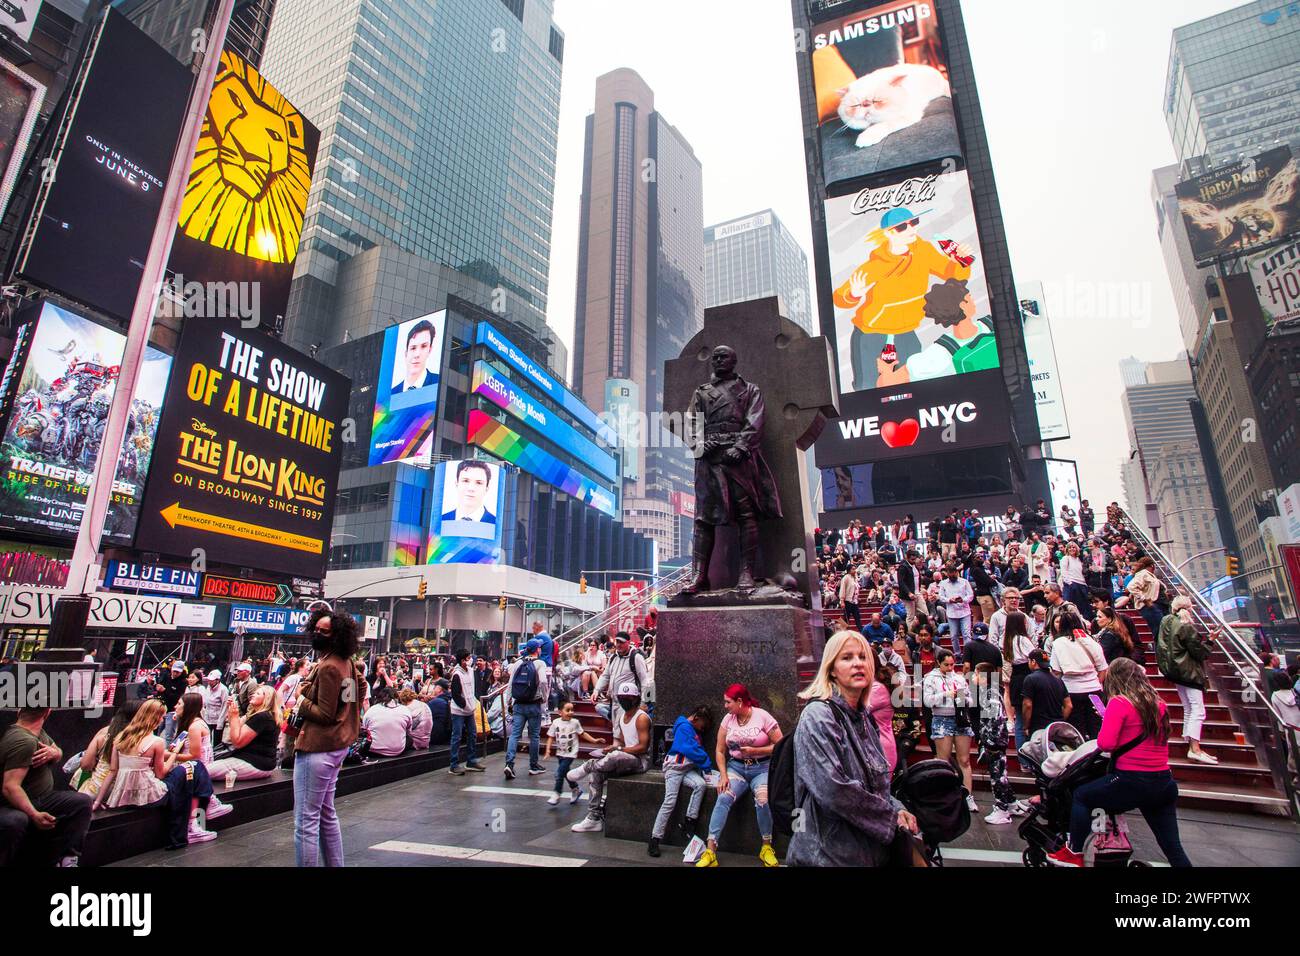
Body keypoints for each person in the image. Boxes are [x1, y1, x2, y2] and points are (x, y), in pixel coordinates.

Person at [788, 631, 920, 867]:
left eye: (862, 657)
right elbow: (833, 789)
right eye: (847, 657)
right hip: (828, 855)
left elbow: (874, 784)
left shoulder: (864, 717)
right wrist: (889, 819)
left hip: (868, 851)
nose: (858, 663)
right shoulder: (817, 716)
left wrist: (897, 808)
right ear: (831, 669)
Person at [1048, 657, 1193, 867]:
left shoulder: (1120, 703)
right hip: (1163, 782)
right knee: (1171, 845)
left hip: (1131, 779)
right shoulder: (1159, 705)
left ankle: (1075, 852)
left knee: (1082, 796)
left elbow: (1106, 743)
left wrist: (1108, 720)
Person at [93, 699, 219, 849]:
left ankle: (203, 810)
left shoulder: (120, 738)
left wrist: (97, 800)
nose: (162, 720)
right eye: (161, 717)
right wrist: (175, 753)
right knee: (195, 766)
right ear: (154, 717)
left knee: (189, 772)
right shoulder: (156, 742)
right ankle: (202, 811)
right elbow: (161, 774)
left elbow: (113, 771)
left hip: (125, 796)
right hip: (152, 796)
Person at [290, 608, 363, 867]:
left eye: (324, 631)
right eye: (316, 629)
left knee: (305, 823)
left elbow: (325, 713)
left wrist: (301, 699)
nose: (318, 634)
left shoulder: (330, 666)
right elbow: (352, 695)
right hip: (337, 745)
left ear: (337, 635)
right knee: (325, 813)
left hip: (318, 747)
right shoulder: (346, 662)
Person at [695, 683, 784, 868]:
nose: (725, 706)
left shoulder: (762, 716)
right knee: (723, 797)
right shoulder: (728, 719)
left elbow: (780, 744)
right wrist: (723, 775)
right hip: (736, 768)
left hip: (762, 768)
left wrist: (755, 750)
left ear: (740, 701)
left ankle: (766, 847)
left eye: (728, 702)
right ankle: (710, 850)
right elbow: (719, 750)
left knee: (763, 799)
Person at [0, 707, 93, 867]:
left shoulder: (37, 732)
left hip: (42, 796)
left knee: (81, 802)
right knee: (16, 821)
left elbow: (58, 750)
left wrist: (54, 753)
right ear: (47, 713)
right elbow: (10, 787)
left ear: (20, 711)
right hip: (15, 803)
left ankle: (65, 860)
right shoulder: (24, 741)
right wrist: (34, 814)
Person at [568, 680, 653, 833]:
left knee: (616, 756)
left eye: (627, 698)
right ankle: (594, 817)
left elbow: (643, 747)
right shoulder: (622, 717)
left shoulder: (641, 718)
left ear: (635, 698)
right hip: (625, 757)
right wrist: (613, 748)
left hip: (641, 761)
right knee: (597, 774)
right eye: (621, 697)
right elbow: (621, 741)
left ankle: (588, 765)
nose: (623, 700)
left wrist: (618, 749)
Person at [1155, 596, 1218, 765]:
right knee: (1198, 710)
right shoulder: (1186, 625)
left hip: (1174, 671)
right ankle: (1195, 748)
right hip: (1188, 672)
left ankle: (1189, 740)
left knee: (1189, 708)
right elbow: (1201, 653)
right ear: (1189, 608)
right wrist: (1211, 641)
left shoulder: (1165, 621)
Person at [647, 704, 713, 857]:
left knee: (700, 785)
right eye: (703, 725)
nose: (703, 729)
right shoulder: (684, 727)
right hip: (675, 769)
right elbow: (688, 748)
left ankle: (689, 821)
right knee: (669, 801)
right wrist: (706, 763)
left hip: (687, 769)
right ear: (696, 718)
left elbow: (694, 748)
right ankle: (654, 839)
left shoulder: (691, 729)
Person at [922, 649, 978, 812]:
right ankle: (943, 795)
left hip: (960, 718)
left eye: (952, 664)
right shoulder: (930, 678)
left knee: (965, 760)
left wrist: (963, 698)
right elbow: (927, 700)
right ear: (938, 663)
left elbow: (971, 699)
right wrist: (946, 694)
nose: (949, 668)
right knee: (943, 760)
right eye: (946, 664)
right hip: (941, 718)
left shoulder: (959, 678)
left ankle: (967, 795)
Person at [1048, 610, 1108, 740]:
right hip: (1095, 691)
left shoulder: (1058, 643)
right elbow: (1103, 668)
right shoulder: (1092, 640)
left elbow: (1056, 671)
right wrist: (1096, 682)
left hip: (1071, 691)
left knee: (1076, 731)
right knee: (1098, 726)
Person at [210, 685, 281, 781]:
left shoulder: (262, 717)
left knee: (202, 772)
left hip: (255, 762)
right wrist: (232, 711)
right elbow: (236, 728)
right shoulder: (261, 715)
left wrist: (234, 716)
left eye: (258, 693)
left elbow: (237, 742)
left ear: (266, 699)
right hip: (259, 762)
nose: (253, 695)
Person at [76, 699, 141, 799]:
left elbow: (86, 764)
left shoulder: (104, 733)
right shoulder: (141, 737)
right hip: (128, 794)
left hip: (97, 790)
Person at [503, 639, 550, 779]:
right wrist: (545, 697)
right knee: (534, 736)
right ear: (537, 650)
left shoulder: (518, 663)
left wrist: (508, 702)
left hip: (519, 704)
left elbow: (510, 684)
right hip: (533, 704)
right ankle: (534, 765)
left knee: (515, 735)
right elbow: (542, 681)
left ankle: (509, 764)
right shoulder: (540, 663)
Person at [545, 700, 600, 807]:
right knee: (566, 773)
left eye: (572, 710)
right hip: (560, 752)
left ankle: (557, 793)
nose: (571, 712)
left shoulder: (575, 722)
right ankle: (576, 789)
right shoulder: (555, 722)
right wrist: (548, 750)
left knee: (559, 773)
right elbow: (551, 737)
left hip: (570, 753)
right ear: (560, 712)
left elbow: (582, 734)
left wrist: (594, 740)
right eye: (567, 710)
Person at [594, 631, 647, 723]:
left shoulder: (636, 657)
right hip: (614, 702)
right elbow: (605, 676)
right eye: (617, 642)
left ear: (628, 642)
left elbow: (645, 681)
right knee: (616, 732)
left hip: (629, 704)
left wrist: (643, 702)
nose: (618, 644)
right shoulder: (613, 657)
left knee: (622, 733)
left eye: (621, 642)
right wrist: (597, 690)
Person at [448, 651, 485, 774]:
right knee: (457, 737)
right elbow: (455, 694)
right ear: (462, 660)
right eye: (468, 658)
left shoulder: (470, 671)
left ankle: (471, 761)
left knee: (473, 734)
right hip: (459, 710)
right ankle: (454, 764)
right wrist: (465, 705)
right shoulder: (457, 674)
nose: (470, 660)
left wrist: (470, 705)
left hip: (470, 709)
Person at [1021, 650, 1070, 737]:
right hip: (1056, 729)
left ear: (1033, 662)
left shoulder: (1030, 679)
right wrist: (1060, 722)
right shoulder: (1058, 681)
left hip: (1039, 728)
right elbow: (1069, 705)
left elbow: (1027, 705)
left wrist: (1025, 726)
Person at [441, 460, 496, 525]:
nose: (471, 488)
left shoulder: (496, 523)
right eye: (466, 481)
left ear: (487, 488)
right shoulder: (441, 520)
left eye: (479, 483)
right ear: (456, 484)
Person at [1124, 556, 1164, 639]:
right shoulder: (1143, 573)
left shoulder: (1149, 575)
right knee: (1159, 632)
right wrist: (1144, 599)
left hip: (1156, 606)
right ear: (1152, 565)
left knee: (1160, 631)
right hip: (1149, 607)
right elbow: (1131, 587)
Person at [394, 317, 438, 393]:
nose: (417, 354)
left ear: (430, 350)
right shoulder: (392, 393)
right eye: (413, 348)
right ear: (406, 353)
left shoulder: (439, 382)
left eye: (423, 346)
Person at [937, 562, 975, 646]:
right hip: (952, 612)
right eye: (949, 576)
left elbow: (971, 595)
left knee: (966, 634)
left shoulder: (964, 582)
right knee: (954, 636)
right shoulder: (943, 583)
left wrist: (963, 600)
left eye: (953, 575)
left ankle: (967, 654)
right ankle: (957, 654)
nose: (951, 577)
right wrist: (949, 600)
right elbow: (940, 596)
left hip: (964, 611)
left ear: (956, 573)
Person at [839, 563, 862, 630]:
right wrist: (842, 600)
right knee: (846, 618)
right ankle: (843, 632)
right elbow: (842, 589)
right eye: (853, 569)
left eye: (855, 569)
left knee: (858, 618)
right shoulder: (846, 578)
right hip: (847, 601)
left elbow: (856, 589)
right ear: (849, 570)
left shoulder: (855, 578)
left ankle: (862, 632)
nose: (854, 570)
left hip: (855, 601)